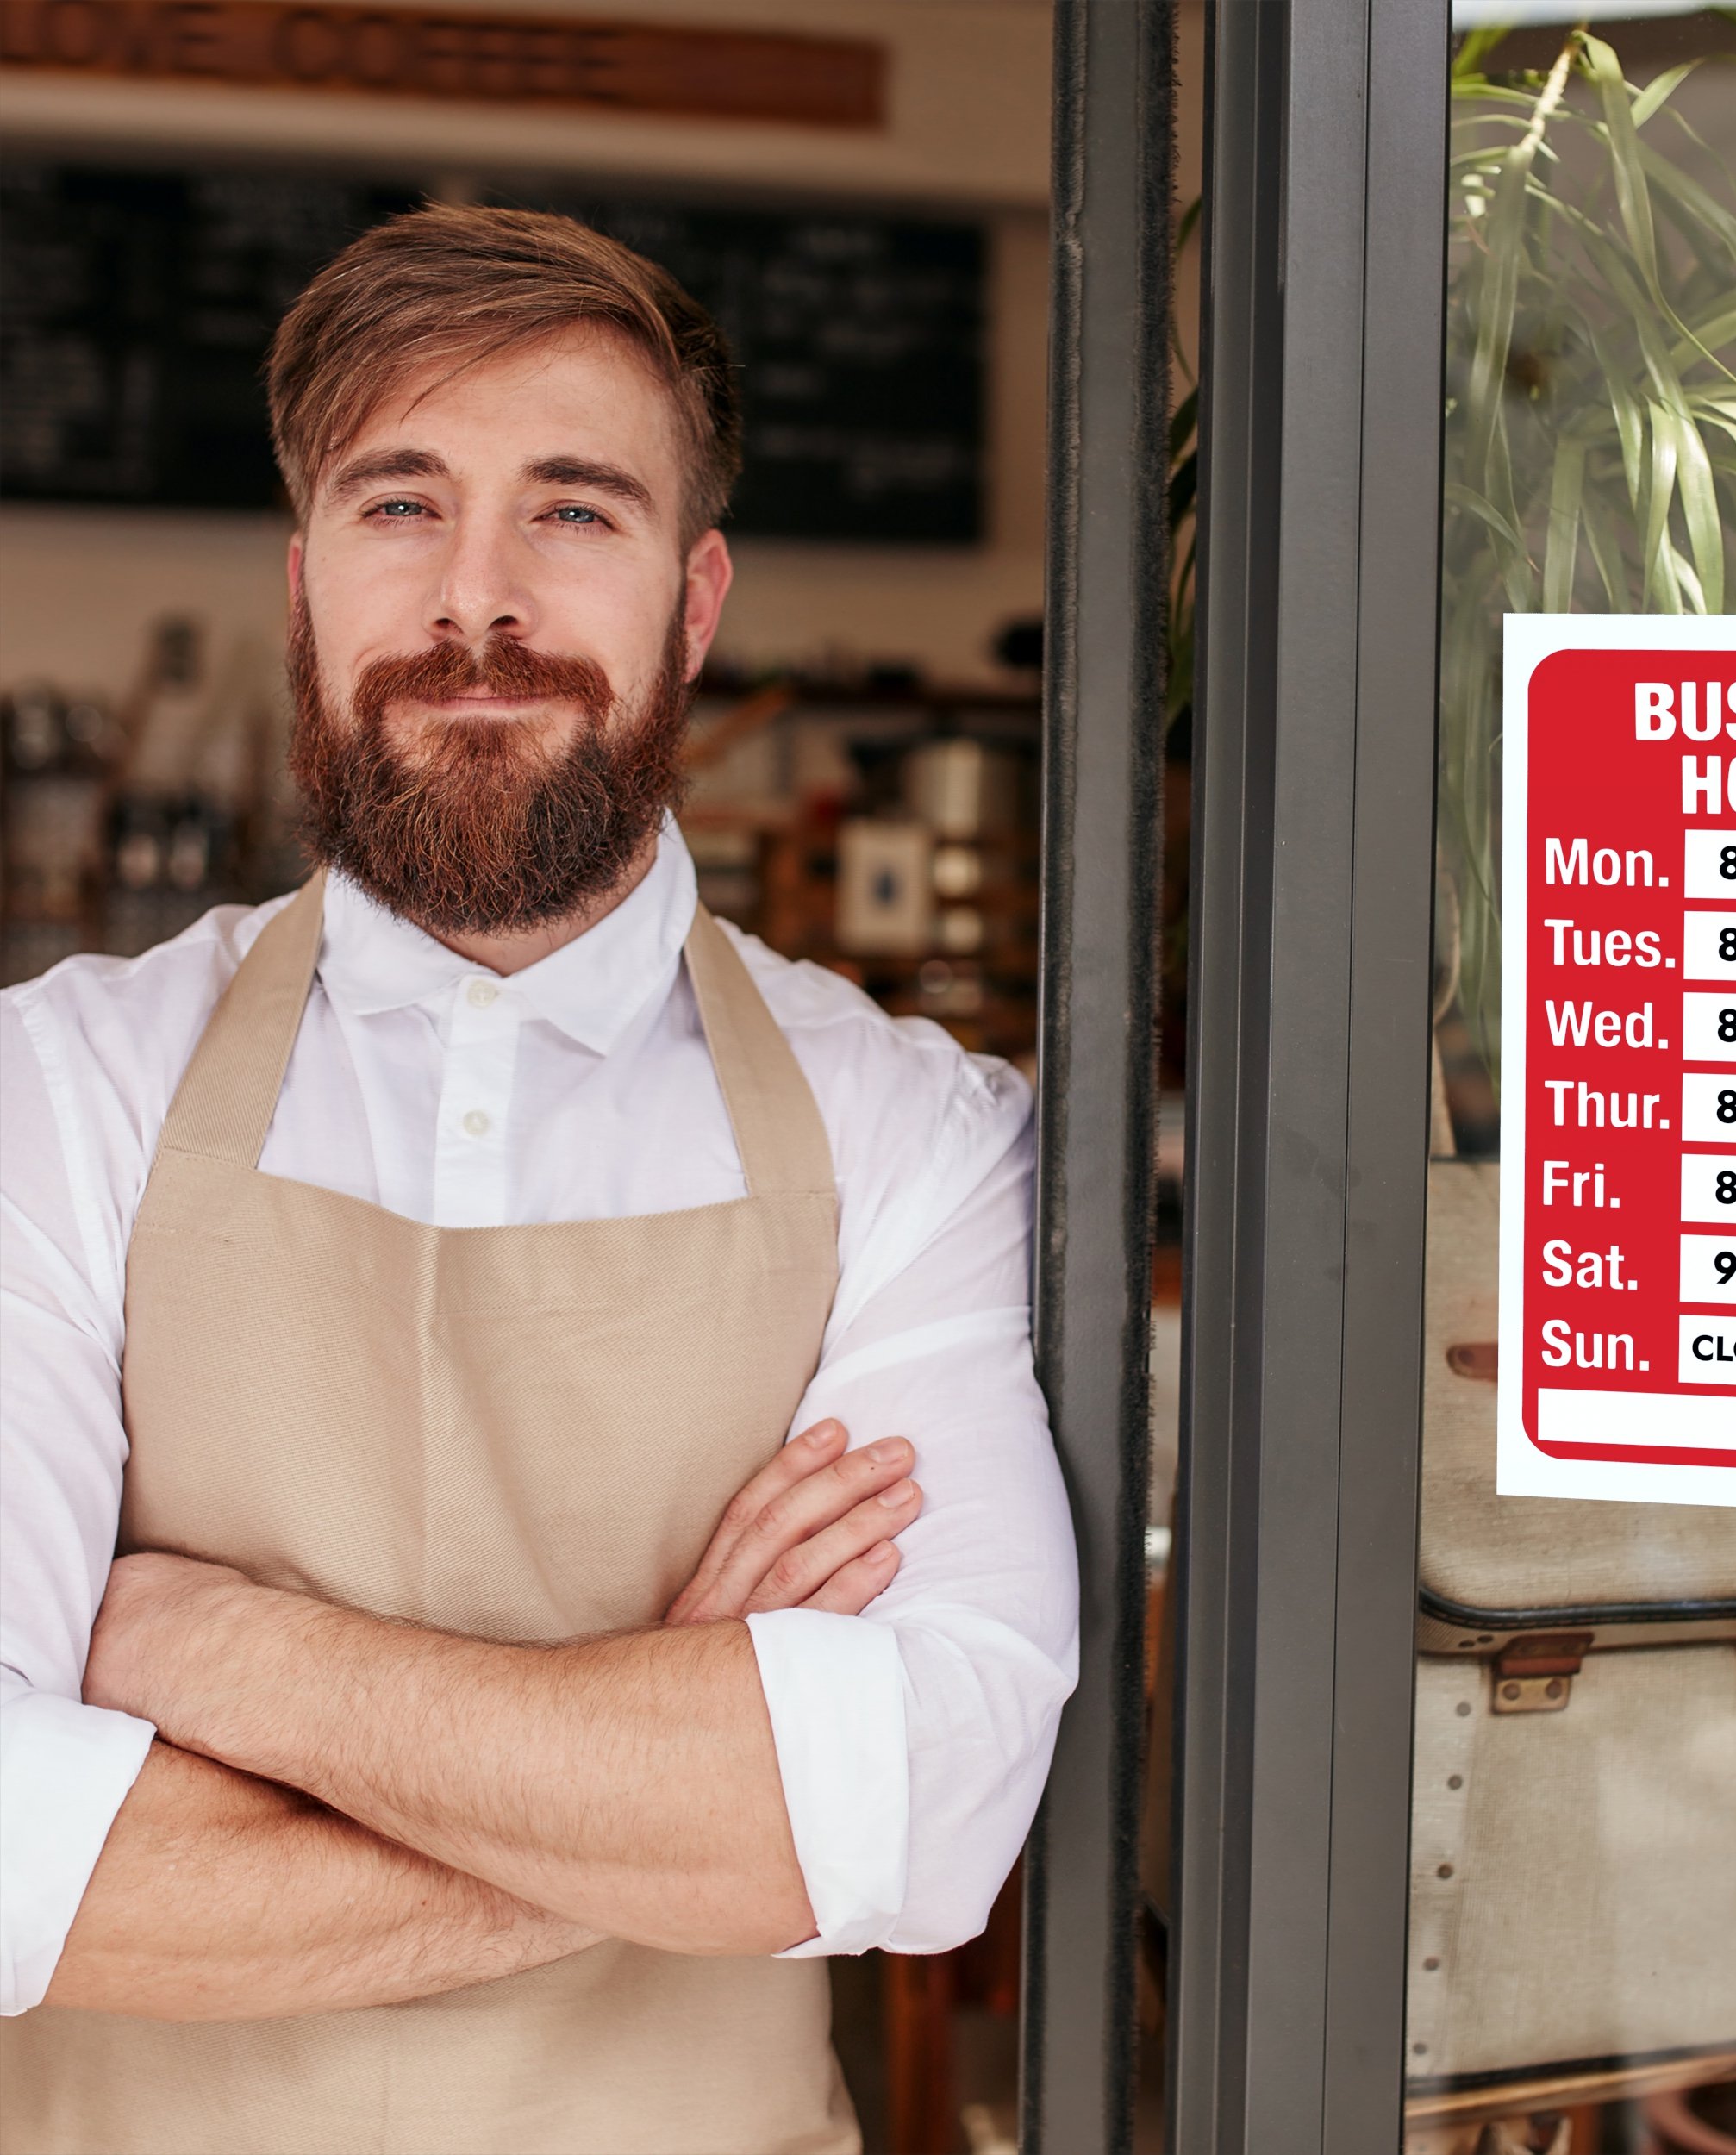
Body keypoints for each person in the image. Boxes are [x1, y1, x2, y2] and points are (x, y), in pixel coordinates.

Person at [0, 206, 1077, 2155]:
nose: (473, 599)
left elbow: (925, 1817)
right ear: (304, 583)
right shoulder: (50, 1091)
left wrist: (217, 1652)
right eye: (397, 504)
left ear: (695, 600)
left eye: (572, 511)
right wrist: (685, 1760)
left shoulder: (916, 1127)